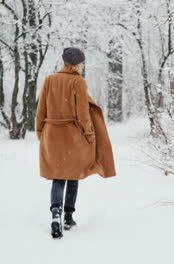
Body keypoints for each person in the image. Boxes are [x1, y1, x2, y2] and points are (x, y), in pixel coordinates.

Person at [35, 47, 117, 239]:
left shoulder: (49, 80)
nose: (83, 65)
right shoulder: (78, 82)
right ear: (75, 63)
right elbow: (82, 113)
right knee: (73, 175)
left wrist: (41, 132)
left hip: (52, 134)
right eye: (82, 62)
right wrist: (89, 134)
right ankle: (68, 217)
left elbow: (41, 110)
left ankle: (55, 213)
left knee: (57, 176)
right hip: (73, 136)